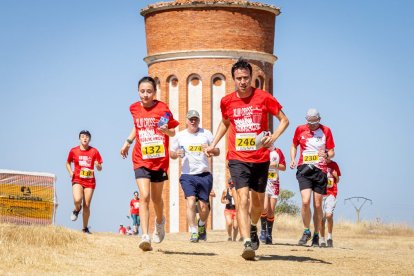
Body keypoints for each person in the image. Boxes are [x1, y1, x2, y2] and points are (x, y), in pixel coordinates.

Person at [205, 59, 289, 260]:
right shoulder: (227, 101)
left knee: (257, 203)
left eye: (246, 78)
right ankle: (246, 243)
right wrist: (214, 143)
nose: (242, 81)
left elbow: (284, 120)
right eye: (238, 78)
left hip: (260, 158)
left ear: (251, 78)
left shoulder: (264, 98)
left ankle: (252, 226)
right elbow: (225, 123)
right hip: (237, 158)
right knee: (242, 198)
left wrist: (273, 139)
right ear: (233, 79)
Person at [120, 76, 179, 251]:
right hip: (140, 158)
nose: (145, 95)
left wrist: (166, 130)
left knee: (156, 198)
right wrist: (127, 143)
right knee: (144, 196)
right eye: (142, 91)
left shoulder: (163, 109)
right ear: (138, 92)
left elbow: (173, 132)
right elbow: (137, 127)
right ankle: (145, 236)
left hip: (159, 160)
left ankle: (159, 221)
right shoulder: (133, 108)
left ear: (154, 92)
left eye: (149, 91)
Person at [170, 109, 220, 243]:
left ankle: (201, 225)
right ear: (186, 121)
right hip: (187, 175)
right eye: (191, 119)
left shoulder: (206, 134)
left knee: (204, 207)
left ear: (199, 120)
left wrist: (210, 149)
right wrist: (177, 154)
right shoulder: (180, 136)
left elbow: (218, 151)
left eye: (195, 119)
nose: (193, 121)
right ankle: (193, 231)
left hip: (204, 175)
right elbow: (171, 153)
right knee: (190, 201)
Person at [290, 108, 335, 247]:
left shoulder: (326, 130)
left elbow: (332, 151)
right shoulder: (300, 129)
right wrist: (292, 159)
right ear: (306, 120)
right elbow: (294, 145)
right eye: (310, 123)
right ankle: (306, 231)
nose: (312, 125)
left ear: (319, 120)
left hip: (320, 170)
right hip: (304, 169)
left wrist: (327, 155)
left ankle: (316, 235)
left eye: (315, 123)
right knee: (305, 201)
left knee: (317, 204)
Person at [66, 130, 103, 234]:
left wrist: (97, 165)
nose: (85, 138)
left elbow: (100, 168)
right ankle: (77, 209)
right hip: (77, 179)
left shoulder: (94, 151)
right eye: (82, 136)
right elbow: (67, 163)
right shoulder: (74, 151)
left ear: (89, 139)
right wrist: (70, 172)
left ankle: (85, 228)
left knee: (87, 204)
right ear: (79, 139)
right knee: (78, 199)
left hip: (90, 181)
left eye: (87, 137)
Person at [259, 146, 286, 245]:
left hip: (274, 184)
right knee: (264, 207)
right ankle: (262, 231)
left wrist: (276, 165)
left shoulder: (278, 151)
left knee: (271, 211)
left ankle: (269, 234)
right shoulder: (261, 150)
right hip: (264, 182)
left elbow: (284, 167)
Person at [320, 160, 341, 247]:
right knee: (321, 217)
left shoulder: (334, 164)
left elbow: (338, 180)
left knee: (329, 215)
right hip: (320, 193)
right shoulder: (318, 164)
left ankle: (329, 237)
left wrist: (336, 176)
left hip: (331, 193)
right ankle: (322, 239)